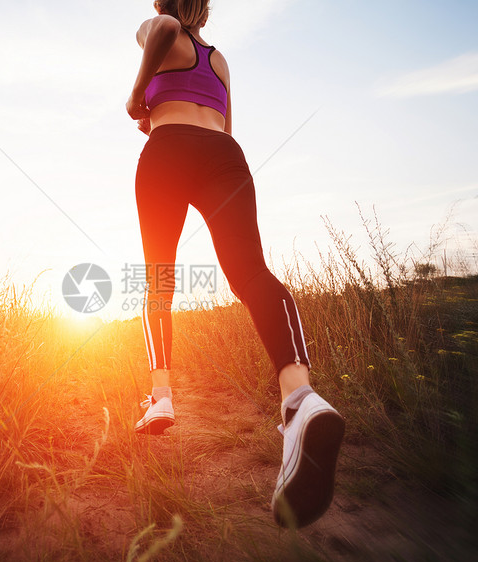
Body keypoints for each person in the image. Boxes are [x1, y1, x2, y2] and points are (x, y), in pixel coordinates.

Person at [126, 0, 345, 528]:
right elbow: (223, 124)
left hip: (168, 150)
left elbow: (160, 29)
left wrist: (138, 97)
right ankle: (301, 399)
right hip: (225, 155)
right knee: (251, 273)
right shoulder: (219, 60)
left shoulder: (160, 28)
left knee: (158, 277)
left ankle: (161, 397)